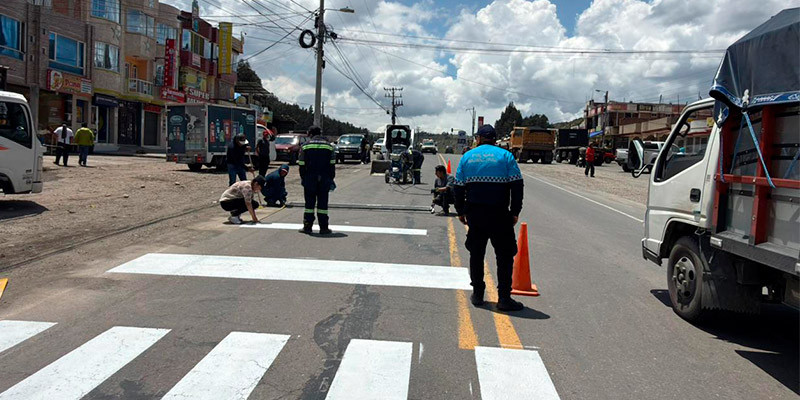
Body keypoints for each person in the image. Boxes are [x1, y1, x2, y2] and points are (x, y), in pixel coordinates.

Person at [454, 124, 524, 312]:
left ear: (478, 139)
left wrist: (460, 211)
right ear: (494, 139)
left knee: (476, 254)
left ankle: (478, 294)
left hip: (475, 215)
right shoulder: (506, 156)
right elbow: (517, 186)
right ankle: (504, 298)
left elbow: (458, 187)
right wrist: (515, 211)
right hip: (500, 214)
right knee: (504, 256)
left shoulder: (467, 157)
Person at [298, 125, 336, 234]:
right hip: (324, 178)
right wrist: (330, 178)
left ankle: (307, 227)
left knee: (309, 204)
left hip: (309, 178)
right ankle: (324, 228)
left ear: (310, 134)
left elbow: (301, 164)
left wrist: (304, 178)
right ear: (320, 133)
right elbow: (332, 164)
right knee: (323, 204)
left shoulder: (305, 146)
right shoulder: (329, 147)